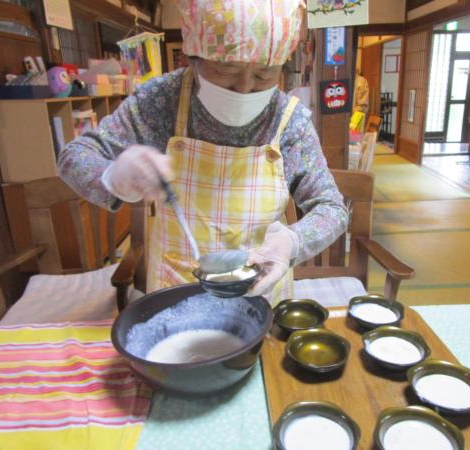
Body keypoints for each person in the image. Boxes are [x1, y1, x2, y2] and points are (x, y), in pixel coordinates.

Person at [58, 0, 348, 304]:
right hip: (177, 290)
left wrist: (292, 241)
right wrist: (112, 176)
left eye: (264, 74)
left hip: (261, 293)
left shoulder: (289, 120)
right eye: (226, 69)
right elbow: (74, 157)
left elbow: (332, 208)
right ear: (193, 56)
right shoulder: (161, 101)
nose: (244, 87)